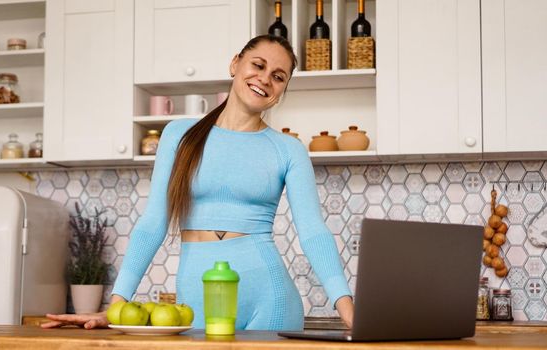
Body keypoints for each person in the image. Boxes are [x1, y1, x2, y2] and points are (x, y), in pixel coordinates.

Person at [42, 34, 354, 331]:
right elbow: (153, 224)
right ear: (235, 64)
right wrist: (117, 307)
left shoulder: (288, 149)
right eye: (258, 65)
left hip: (269, 300)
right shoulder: (180, 135)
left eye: (278, 76)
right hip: (196, 297)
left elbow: (313, 232)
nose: (264, 79)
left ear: (282, 90)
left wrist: (348, 311)